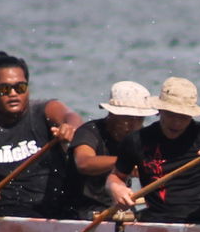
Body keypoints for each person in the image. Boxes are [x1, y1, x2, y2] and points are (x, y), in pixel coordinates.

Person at [0, 50, 83, 219]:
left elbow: (71, 116)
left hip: (54, 215)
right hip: (3, 219)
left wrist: (70, 128)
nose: (13, 94)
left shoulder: (45, 111)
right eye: (4, 89)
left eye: (20, 87)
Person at [107, 77, 200, 223]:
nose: (176, 123)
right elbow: (116, 177)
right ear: (160, 110)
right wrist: (116, 187)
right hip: (155, 222)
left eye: (183, 117)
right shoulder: (136, 140)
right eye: (170, 114)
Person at [66, 81, 158, 218]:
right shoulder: (89, 132)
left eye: (139, 119)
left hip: (116, 208)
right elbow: (83, 163)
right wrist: (125, 163)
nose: (134, 125)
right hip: (79, 211)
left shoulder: (139, 138)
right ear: (112, 113)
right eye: (128, 117)